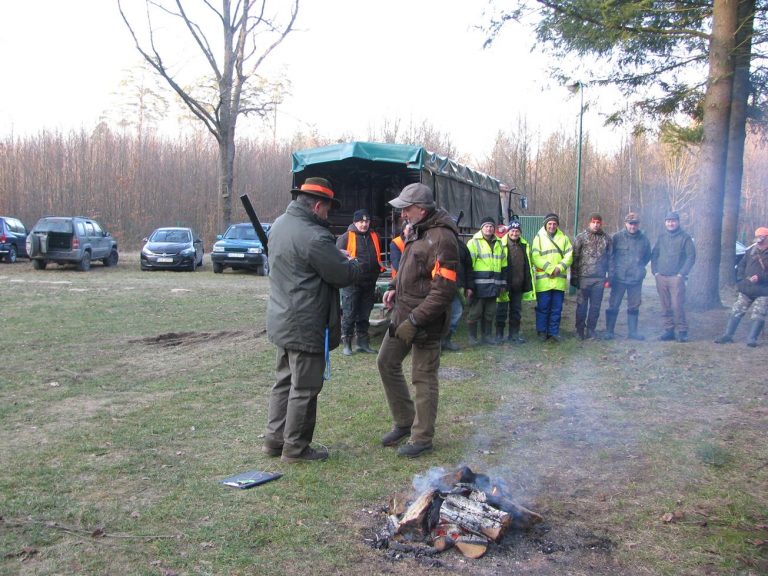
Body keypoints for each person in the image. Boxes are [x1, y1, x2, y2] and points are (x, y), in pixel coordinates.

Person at [264, 177, 362, 463]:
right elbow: (342, 275)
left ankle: (274, 441)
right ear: (317, 205)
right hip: (305, 322)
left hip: (282, 319)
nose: (328, 215)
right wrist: (351, 263)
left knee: (283, 382)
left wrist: (333, 255)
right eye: (327, 210)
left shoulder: (281, 224)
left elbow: (307, 261)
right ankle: (295, 449)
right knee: (305, 388)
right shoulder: (314, 236)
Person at [377, 183, 459, 458]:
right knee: (386, 362)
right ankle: (404, 421)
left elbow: (444, 291)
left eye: (406, 209)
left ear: (421, 210)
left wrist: (415, 320)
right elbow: (410, 269)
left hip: (425, 321)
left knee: (423, 377)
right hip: (402, 314)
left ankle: (422, 437)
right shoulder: (418, 231)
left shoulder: (443, 239)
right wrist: (393, 287)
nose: (402, 215)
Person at [336, 209, 385, 355]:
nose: (364, 224)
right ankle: (347, 343)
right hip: (352, 283)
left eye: (367, 221)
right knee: (349, 313)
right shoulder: (345, 237)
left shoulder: (375, 236)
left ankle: (363, 343)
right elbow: (336, 258)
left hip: (369, 282)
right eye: (361, 221)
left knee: (365, 314)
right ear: (354, 222)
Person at [714, 227, 768, 347]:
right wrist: (741, 279)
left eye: (762, 236)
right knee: (737, 310)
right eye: (758, 236)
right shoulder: (750, 251)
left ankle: (752, 339)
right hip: (747, 288)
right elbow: (741, 266)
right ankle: (728, 335)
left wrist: (760, 278)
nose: (759, 239)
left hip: (764, 290)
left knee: (759, 313)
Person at [604, 212, 652, 340]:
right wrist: (611, 274)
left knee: (634, 305)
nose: (633, 226)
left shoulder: (644, 239)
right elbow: (610, 256)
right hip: (619, 278)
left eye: (635, 224)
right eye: (630, 223)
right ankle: (609, 331)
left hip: (636, 279)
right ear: (625, 224)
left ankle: (633, 333)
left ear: (638, 225)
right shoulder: (616, 237)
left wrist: (639, 268)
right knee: (613, 304)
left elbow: (647, 256)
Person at [651, 211, 696, 342]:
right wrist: (656, 272)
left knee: (677, 305)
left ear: (678, 222)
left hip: (676, 278)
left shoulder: (685, 237)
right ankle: (669, 330)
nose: (671, 223)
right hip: (661, 277)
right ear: (665, 223)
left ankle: (682, 330)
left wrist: (682, 273)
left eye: (673, 221)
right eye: (668, 221)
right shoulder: (661, 237)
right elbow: (654, 254)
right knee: (665, 305)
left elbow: (691, 256)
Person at [530, 213, 573, 342]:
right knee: (543, 308)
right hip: (544, 282)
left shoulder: (564, 238)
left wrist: (560, 267)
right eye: (550, 224)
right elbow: (535, 257)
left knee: (556, 309)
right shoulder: (538, 238)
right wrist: (550, 268)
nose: (552, 226)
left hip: (559, 281)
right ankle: (542, 332)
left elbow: (569, 255)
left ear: (557, 225)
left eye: (554, 224)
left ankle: (553, 333)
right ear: (545, 224)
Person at [571, 213, 612, 340]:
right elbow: (574, 258)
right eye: (594, 222)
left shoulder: (607, 239)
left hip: (599, 279)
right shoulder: (581, 237)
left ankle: (591, 331)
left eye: (598, 222)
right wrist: (574, 277)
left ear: (601, 223)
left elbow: (611, 259)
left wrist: (609, 277)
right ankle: (579, 331)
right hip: (584, 277)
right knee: (581, 306)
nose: (596, 224)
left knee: (595, 307)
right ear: (589, 223)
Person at [466, 216, 507, 345]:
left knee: (490, 312)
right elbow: (468, 265)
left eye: (491, 226)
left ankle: (487, 337)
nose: (489, 229)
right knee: (475, 312)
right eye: (486, 226)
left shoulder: (499, 243)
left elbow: (504, 264)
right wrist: (469, 285)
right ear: (482, 228)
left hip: (494, 285)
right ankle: (472, 338)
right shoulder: (473, 243)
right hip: (478, 285)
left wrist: (502, 284)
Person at [495, 220, 535, 343]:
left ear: (520, 232)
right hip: (504, 285)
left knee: (516, 312)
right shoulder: (500, 245)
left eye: (517, 231)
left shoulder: (524, 245)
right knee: (501, 311)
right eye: (512, 231)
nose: (514, 233)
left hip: (518, 284)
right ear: (508, 231)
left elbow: (529, 263)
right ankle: (499, 335)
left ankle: (514, 335)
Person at [442, 229, 474, 352]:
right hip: (440, 286)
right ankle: (436, 343)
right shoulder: (437, 244)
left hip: (458, 285)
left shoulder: (462, 247)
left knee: (456, 312)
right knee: (438, 315)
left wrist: (469, 286)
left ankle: (446, 340)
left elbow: (469, 267)